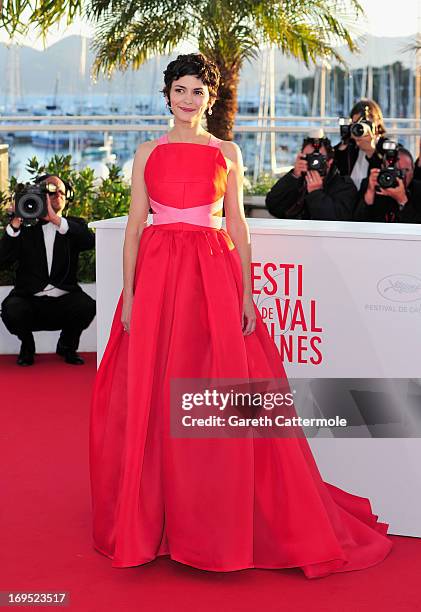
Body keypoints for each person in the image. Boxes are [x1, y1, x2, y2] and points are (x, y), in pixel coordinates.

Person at [89, 53, 392, 579]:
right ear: (167, 95)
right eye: (179, 90)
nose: (188, 99)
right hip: (159, 279)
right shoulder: (146, 152)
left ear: (209, 97)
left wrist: (247, 295)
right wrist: (130, 296)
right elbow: (136, 226)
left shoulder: (226, 152)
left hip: (210, 275)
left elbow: (238, 227)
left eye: (196, 91)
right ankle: (152, 520)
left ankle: (212, 520)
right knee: (154, 398)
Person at [0, 174, 96, 366]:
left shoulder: (73, 226)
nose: (57, 194)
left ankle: (67, 346)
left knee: (86, 306)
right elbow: (3, 260)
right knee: (11, 309)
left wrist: (55, 219)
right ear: (40, 196)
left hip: (65, 300)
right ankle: (27, 346)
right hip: (29, 300)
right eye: (51, 191)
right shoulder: (25, 228)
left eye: (62, 191)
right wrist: (14, 226)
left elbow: (88, 241)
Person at [265, 132, 357, 220]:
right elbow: (273, 206)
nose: (314, 162)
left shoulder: (344, 186)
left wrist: (315, 193)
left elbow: (338, 220)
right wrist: (294, 175)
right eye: (309, 158)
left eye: (319, 158)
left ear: (329, 162)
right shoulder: (298, 182)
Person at [354, 147, 421, 223]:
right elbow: (358, 223)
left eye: (406, 170)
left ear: (413, 170)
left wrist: (402, 200)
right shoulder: (371, 185)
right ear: (383, 168)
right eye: (396, 170)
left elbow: (417, 228)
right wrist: (369, 194)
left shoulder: (419, 190)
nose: (403, 176)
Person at [334, 99, 386, 191]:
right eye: (357, 125)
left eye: (366, 124)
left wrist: (371, 151)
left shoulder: (386, 147)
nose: (361, 128)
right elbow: (335, 171)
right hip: (350, 199)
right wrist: (345, 143)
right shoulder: (350, 145)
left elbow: (385, 176)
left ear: (377, 123)